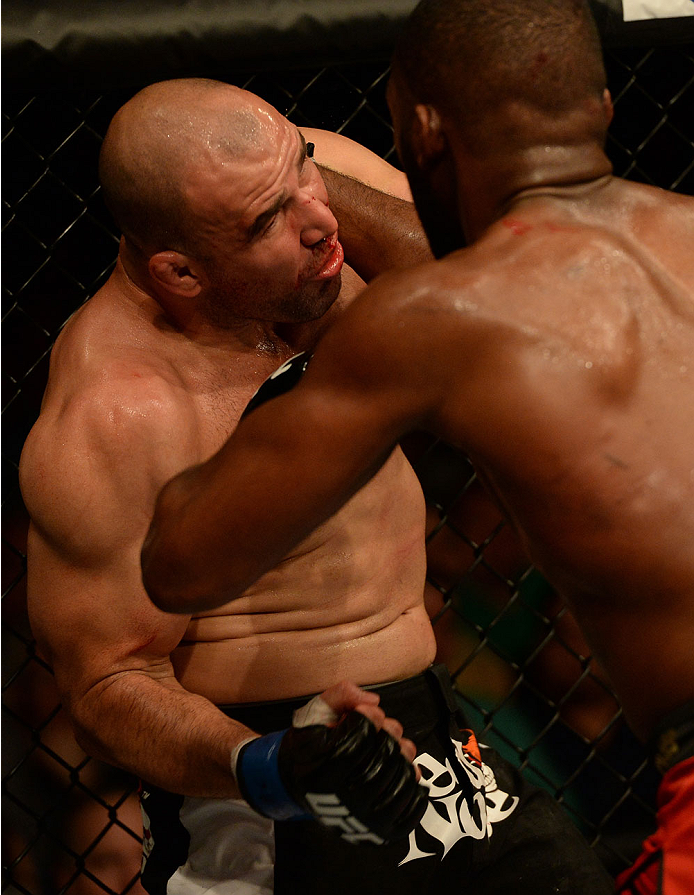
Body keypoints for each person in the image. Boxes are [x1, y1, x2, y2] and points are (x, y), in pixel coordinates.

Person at [140, 2, 694, 894]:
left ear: (424, 132)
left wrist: (290, 188)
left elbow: (183, 561)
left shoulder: (439, 322)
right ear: (601, 103)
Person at [20, 77, 612, 895]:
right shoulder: (118, 413)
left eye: (303, 172)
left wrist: (298, 180)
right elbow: (106, 682)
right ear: (182, 273)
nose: (320, 218)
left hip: (443, 752)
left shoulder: (308, 185)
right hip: (272, 800)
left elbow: (504, 278)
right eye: (266, 220)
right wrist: (269, 766)